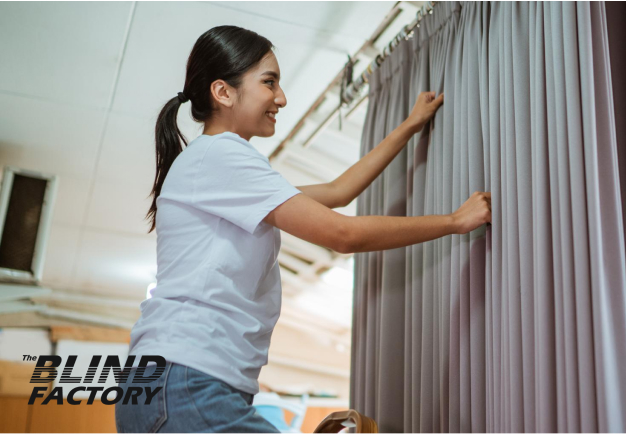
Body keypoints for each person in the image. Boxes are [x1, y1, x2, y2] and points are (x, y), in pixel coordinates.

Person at [114, 25, 491, 433]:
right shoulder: (222, 156)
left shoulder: (215, 169)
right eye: (269, 82)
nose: (281, 97)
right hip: (187, 378)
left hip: (164, 383)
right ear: (223, 92)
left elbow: (337, 190)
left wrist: (409, 125)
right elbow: (343, 235)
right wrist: (455, 221)